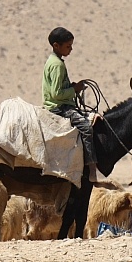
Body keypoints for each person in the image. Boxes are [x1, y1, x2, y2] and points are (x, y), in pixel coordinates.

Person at [42, 27, 98, 179]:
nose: (71, 49)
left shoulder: (54, 61)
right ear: (56, 45)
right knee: (86, 128)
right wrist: (75, 89)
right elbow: (56, 94)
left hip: (61, 104)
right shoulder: (57, 65)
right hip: (60, 108)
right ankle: (91, 168)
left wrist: (71, 87)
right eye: (68, 46)